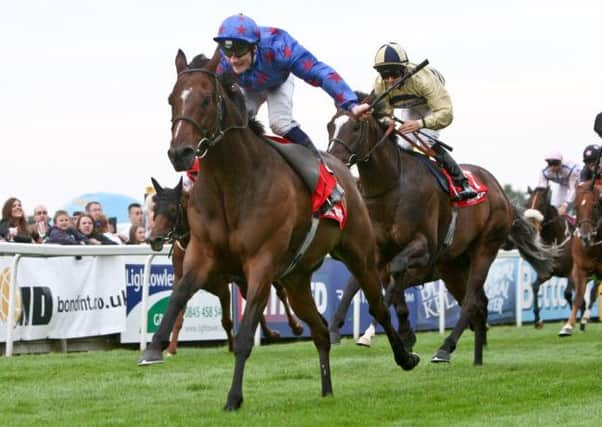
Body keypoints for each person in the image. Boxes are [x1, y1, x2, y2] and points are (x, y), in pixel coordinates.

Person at [213, 13, 371, 205]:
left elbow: (319, 72)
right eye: (228, 53)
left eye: (240, 52)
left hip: (278, 80)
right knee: (234, 121)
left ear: (254, 46)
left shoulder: (280, 46)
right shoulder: (224, 59)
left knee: (279, 123)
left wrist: (351, 104)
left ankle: (323, 172)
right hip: (248, 86)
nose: (233, 60)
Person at [371, 42, 476, 201]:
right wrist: (387, 120)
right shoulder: (380, 83)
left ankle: (462, 182)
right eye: (385, 75)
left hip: (431, 106)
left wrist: (420, 124)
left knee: (425, 140)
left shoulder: (423, 80)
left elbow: (446, 114)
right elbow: (385, 111)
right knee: (404, 145)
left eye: (394, 73)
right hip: (411, 107)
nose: (391, 80)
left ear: (404, 69)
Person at [537, 150, 580, 216]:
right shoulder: (544, 172)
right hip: (562, 185)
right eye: (550, 164)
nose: (552, 167)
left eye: (555, 163)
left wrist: (565, 205)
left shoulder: (571, 169)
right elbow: (542, 191)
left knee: (577, 203)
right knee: (556, 206)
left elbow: (573, 189)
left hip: (577, 184)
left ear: (560, 162)